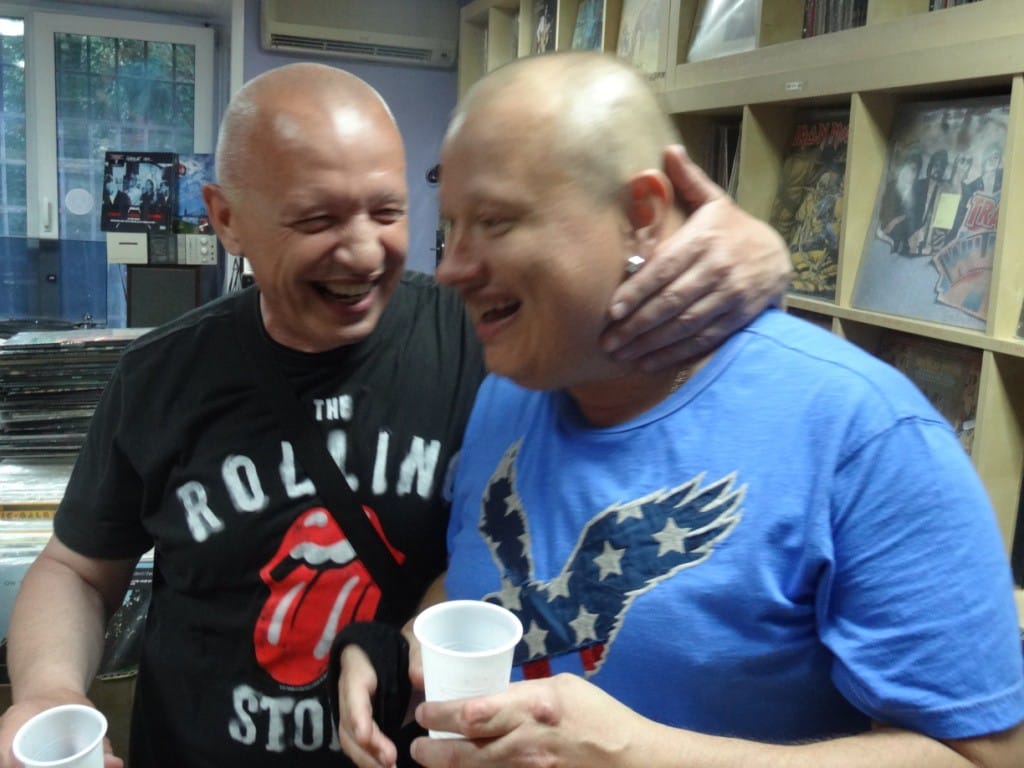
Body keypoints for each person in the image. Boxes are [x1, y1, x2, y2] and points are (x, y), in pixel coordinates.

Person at [0, 62, 792, 768]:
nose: (363, 251)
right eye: (317, 220)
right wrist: (45, 689)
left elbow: (625, 337)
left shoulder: (487, 341)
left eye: (386, 211)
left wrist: (757, 248)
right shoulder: (160, 376)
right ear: (226, 217)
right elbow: (77, 571)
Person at [335, 52, 1024, 768]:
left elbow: (984, 758)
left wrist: (636, 754)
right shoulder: (510, 388)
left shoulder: (865, 433)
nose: (450, 268)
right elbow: (480, 579)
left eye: (496, 221)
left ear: (640, 215)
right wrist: (405, 648)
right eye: (451, 225)